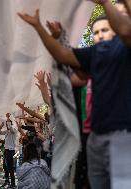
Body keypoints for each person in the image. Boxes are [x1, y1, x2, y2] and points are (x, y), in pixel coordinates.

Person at [18, 0, 131, 188]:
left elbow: (126, 31)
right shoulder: (96, 54)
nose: (100, 35)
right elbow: (64, 56)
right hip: (94, 137)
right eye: (95, 32)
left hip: (122, 134)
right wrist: (40, 28)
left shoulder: (125, 47)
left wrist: (105, 3)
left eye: (105, 30)